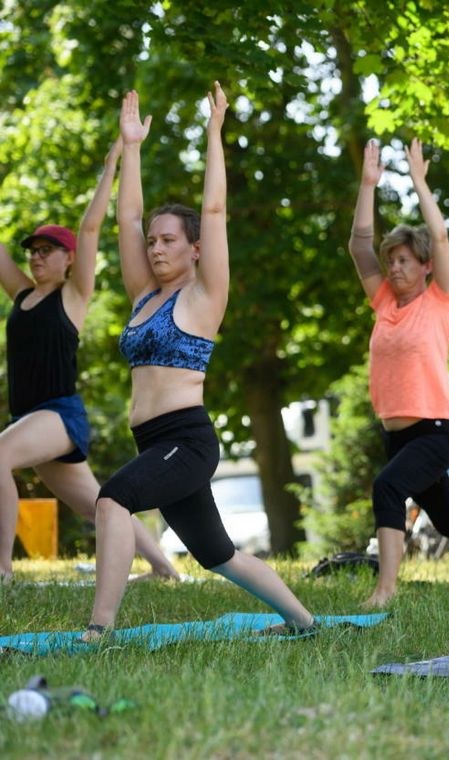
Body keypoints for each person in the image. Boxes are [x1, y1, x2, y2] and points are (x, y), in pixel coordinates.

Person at [82, 85, 315, 640]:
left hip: (185, 440)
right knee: (218, 554)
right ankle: (304, 622)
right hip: (154, 443)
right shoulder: (145, 294)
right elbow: (127, 219)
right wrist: (131, 148)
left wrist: (214, 135)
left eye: (169, 241)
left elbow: (214, 209)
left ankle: (99, 630)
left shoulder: (204, 297)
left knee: (112, 501)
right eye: (154, 242)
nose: (156, 248)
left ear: (194, 248)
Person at [0, 142, 178, 584]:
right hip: (31, 417)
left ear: (69, 258)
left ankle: (2, 571)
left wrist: (111, 167)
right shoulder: (22, 295)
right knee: (100, 504)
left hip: (59, 415)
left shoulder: (73, 296)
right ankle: (164, 570)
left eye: (48, 249)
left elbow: (91, 226)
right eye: (33, 250)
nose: (37, 256)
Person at [348, 137, 449, 608]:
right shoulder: (383, 304)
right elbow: (359, 245)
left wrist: (419, 182)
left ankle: (385, 589)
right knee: (445, 514)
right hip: (395, 433)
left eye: (404, 260)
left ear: (424, 267)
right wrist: (367, 184)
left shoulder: (440, 301)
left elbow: (440, 238)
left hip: (435, 430)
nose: (394, 268)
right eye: (391, 261)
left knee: (387, 487)